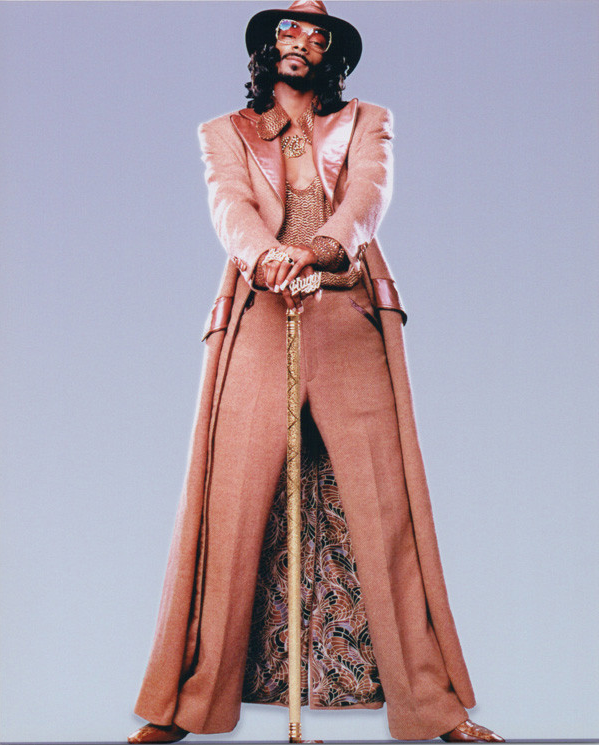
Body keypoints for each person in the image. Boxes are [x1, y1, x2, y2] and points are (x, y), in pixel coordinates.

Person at [128, 2, 503, 742]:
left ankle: (432, 706)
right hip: (257, 317)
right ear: (267, 47)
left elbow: (368, 197)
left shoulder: (367, 121)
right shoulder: (223, 132)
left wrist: (321, 248)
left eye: (315, 34)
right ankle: (189, 704)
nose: (298, 41)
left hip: (347, 314)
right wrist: (266, 256)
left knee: (385, 510)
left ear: (332, 53)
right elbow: (230, 206)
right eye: (286, 31)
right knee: (229, 508)